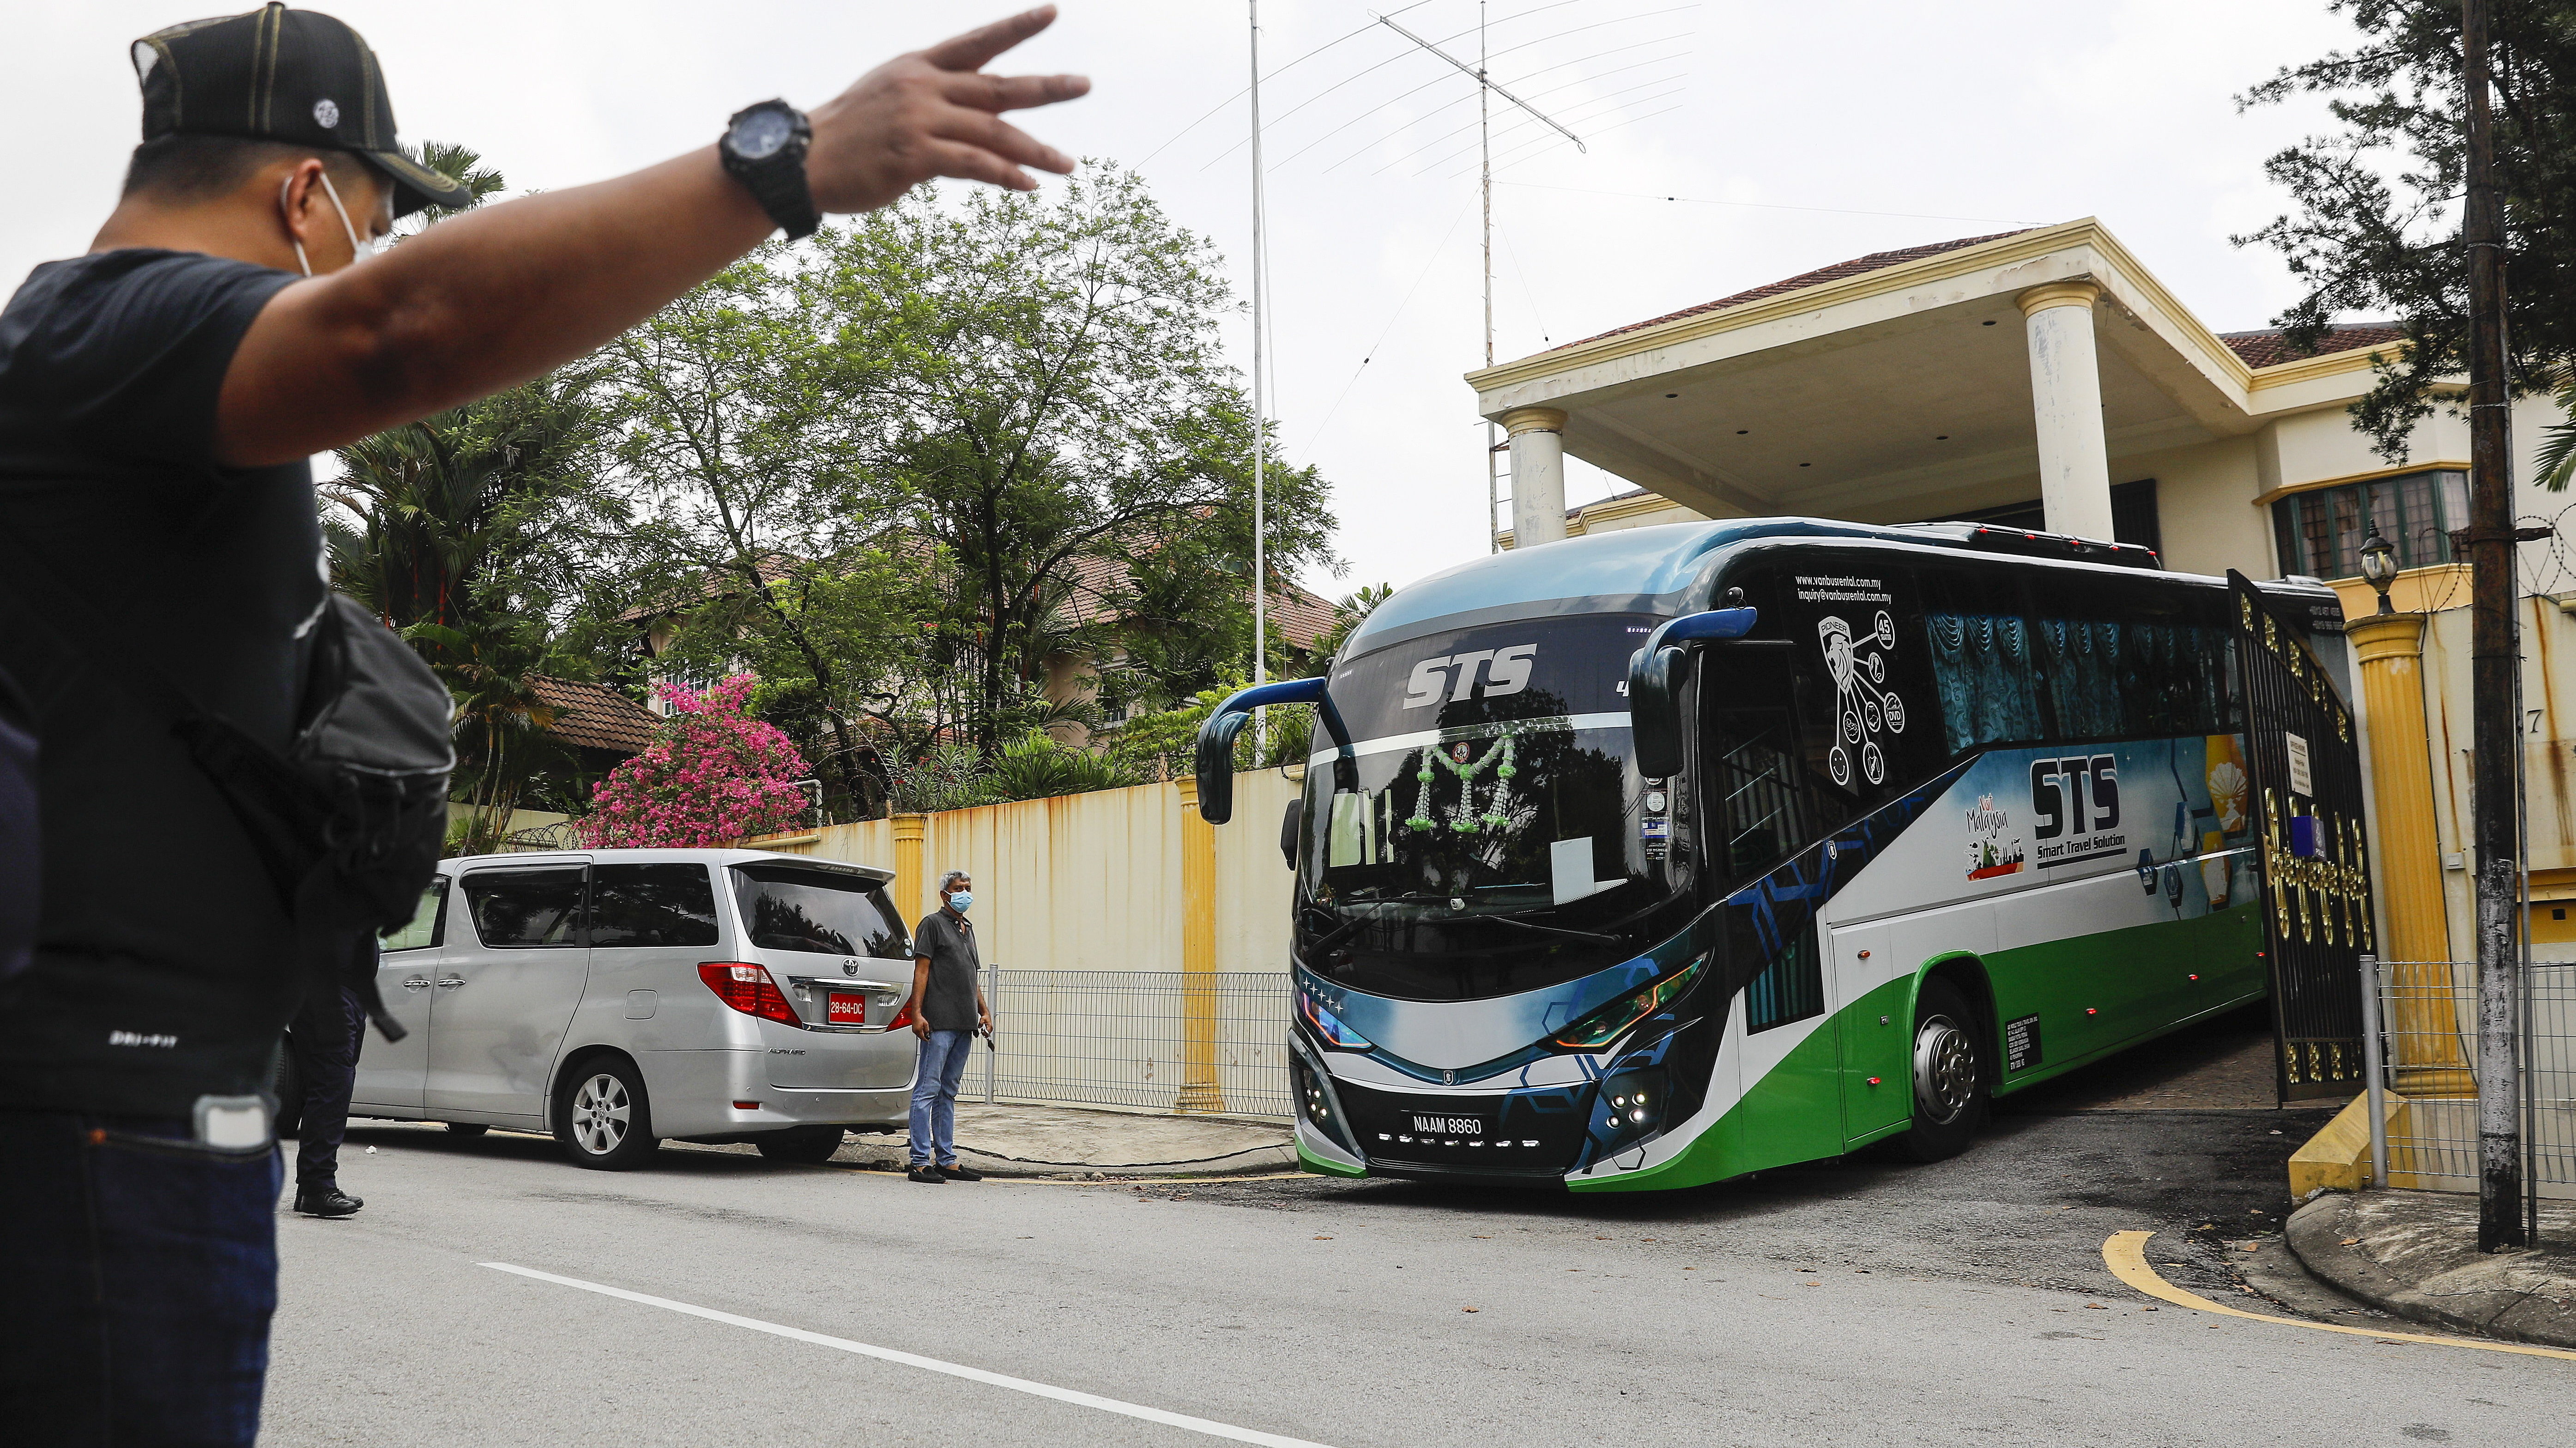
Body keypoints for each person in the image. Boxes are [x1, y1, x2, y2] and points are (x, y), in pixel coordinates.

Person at [0, 6, 1084, 1440]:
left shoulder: (90, 361)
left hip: (122, 1111)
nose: (370, 254)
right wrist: (781, 169)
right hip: (102, 1133)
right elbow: (403, 328)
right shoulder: (116, 321)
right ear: (305, 193)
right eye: (374, 219)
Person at [905, 869, 993, 1184]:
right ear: (945, 894)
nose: (965, 893)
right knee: (927, 1089)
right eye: (959, 888)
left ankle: (946, 1159)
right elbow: (922, 971)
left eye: (968, 887)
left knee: (948, 1091)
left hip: (964, 1023)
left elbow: (972, 975)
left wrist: (983, 1010)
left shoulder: (967, 928)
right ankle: (918, 1161)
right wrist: (917, 1013)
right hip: (938, 1022)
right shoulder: (932, 924)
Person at [281, 939, 373, 1218]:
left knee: (334, 1086)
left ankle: (313, 1186)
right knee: (332, 1084)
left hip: (351, 992)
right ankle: (317, 1187)